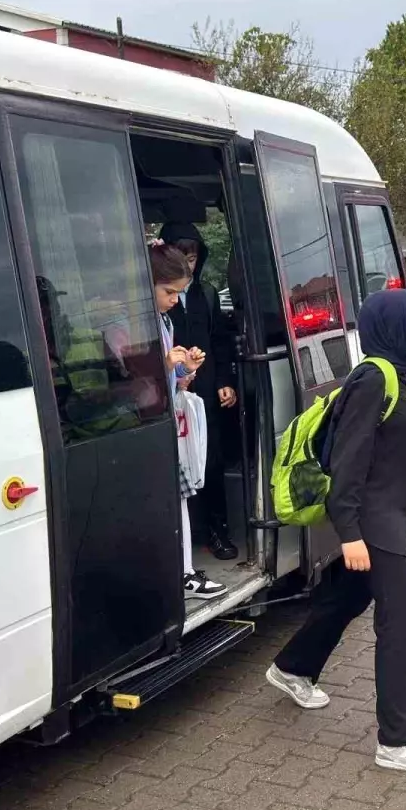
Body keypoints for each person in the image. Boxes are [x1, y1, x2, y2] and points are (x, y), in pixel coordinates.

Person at [265, 289, 406, 774]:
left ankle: (292, 668)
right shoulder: (373, 381)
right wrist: (350, 533)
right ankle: (400, 742)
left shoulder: (397, 377)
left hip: (384, 519)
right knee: (399, 623)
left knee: (350, 599)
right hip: (373, 524)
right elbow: (346, 464)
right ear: (399, 328)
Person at [150, 241, 227, 601]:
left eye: (179, 293)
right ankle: (178, 575)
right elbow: (131, 385)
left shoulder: (163, 320)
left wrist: (183, 372)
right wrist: (165, 368)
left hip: (166, 422)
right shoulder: (137, 326)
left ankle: (182, 572)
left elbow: (166, 380)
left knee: (180, 499)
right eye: (169, 292)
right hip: (151, 427)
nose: (175, 301)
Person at [160, 221, 239, 562]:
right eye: (182, 256)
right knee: (178, 467)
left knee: (210, 461)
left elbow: (219, 340)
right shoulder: (160, 297)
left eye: (193, 257)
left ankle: (216, 530)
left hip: (203, 392)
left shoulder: (206, 293)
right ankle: (184, 539)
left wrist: (224, 379)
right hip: (173, 390)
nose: (189, 265)